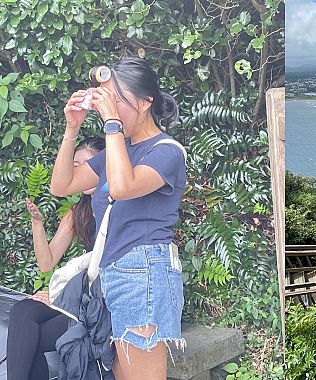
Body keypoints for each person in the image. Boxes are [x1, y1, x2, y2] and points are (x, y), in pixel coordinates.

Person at [50, 57, 187, 379]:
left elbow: (123, 187)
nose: (106, 108)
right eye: (104, 99)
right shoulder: (118, 148)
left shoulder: (167, 151)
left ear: (144, 102)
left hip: (145, 274)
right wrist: (72, 128)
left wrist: (111, 122)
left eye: (116, 99)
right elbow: (62, 185)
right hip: (113, 272)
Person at [7, 138, 104, 380]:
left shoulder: (119, 206)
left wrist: (59, 296)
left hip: (100, 300)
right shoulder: (77, 213)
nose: (80, 172)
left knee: (31, 339)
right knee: (22, 311)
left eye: (86, 164)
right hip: (78, 294)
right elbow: (46, 263)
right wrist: (37, 224)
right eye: (76, 166)